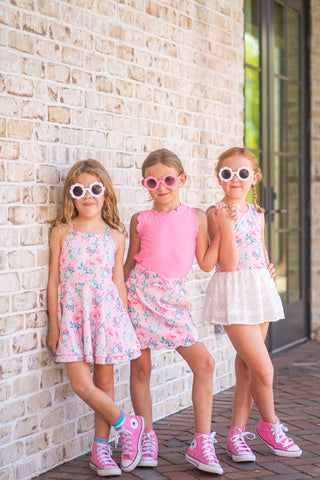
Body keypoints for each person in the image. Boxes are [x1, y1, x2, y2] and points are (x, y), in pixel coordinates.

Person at [124, 148, 235, 475]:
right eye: (152, 181)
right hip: (139, 294)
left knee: (205, 363)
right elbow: (130, 263)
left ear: (181, 179)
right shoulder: (139, 220)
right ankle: (147, 436)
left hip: (173, 297)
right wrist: (114, 295)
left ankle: (202, 443)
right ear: (145, 184)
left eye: (168, 179)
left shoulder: (196, 216)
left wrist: (224, 230)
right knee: (141, 368)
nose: (161, 186)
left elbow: (204, 263)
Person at [47, 159, 145, 477]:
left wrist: (126, 321)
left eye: (95, 189)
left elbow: (118, 281)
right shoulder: (62, 231)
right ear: (71, 196)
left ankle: (100, 450)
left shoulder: (116, 236)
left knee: (104, 383)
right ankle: (128, 424)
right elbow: (53, 280)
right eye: (79, 190)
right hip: (72, 318)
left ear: (106, 193)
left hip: (107, 317)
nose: (88, 196)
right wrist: (54, 324)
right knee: (82, 385)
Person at [203, 146, 302, 463]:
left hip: (259, 288)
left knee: (246, 367)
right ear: (219, 178)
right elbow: (228, 263)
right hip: (234, 291)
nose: (235, 179)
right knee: (264, 367)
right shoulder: (215, 212)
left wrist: (268, 267)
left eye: (242, 173)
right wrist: (226, 223)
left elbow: (259, 247)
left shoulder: (257, 213)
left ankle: (235, 436)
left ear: (254, 178)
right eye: (227, 173)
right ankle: (269, 425)